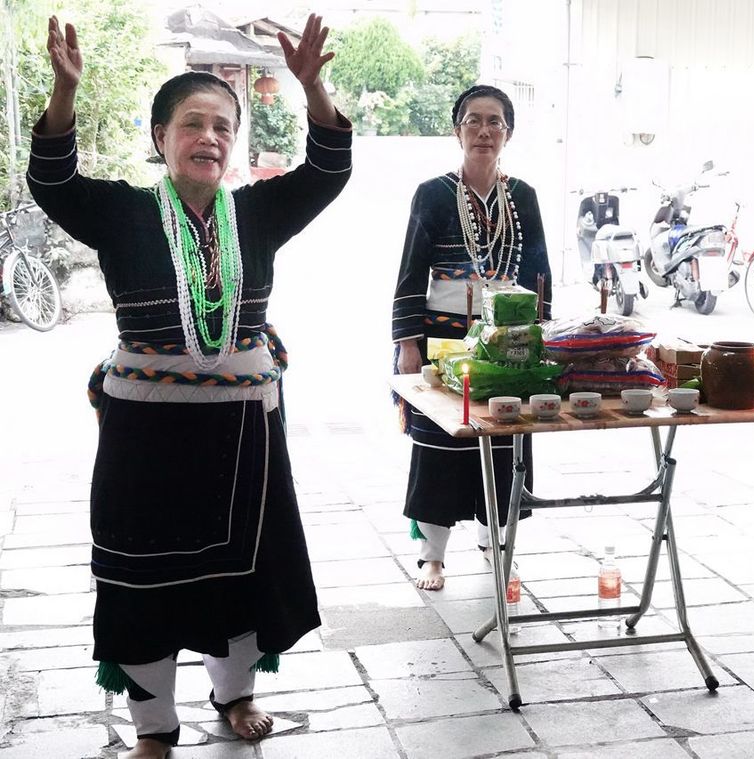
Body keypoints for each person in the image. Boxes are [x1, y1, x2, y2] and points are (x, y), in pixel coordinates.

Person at [28, 15, 351, 758]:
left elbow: (330, 168)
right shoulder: (122, 213)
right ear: (160, 135)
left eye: (222, 126)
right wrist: (64, 91)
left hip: (243, 432)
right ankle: (153, 729)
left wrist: (313, 85)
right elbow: (51, 178)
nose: (209, 137)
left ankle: (235, 693)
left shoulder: (257, 213)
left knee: (242, 567)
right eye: (192, 123)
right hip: (145, 433)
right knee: (141, 572)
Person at [392, 84, 552, 591]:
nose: (485, 131)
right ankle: (432, 556)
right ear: (456, 128)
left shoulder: (522, 196)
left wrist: (544, 336)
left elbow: (539, 270)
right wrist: (407, 342)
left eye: (496, 122)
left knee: (507, 440)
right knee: (439, 443)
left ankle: (498, 545)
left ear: (508, 132)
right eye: (474, 121)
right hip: (445, 340)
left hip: (510, 341)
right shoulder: (433, 193)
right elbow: (411, 271)